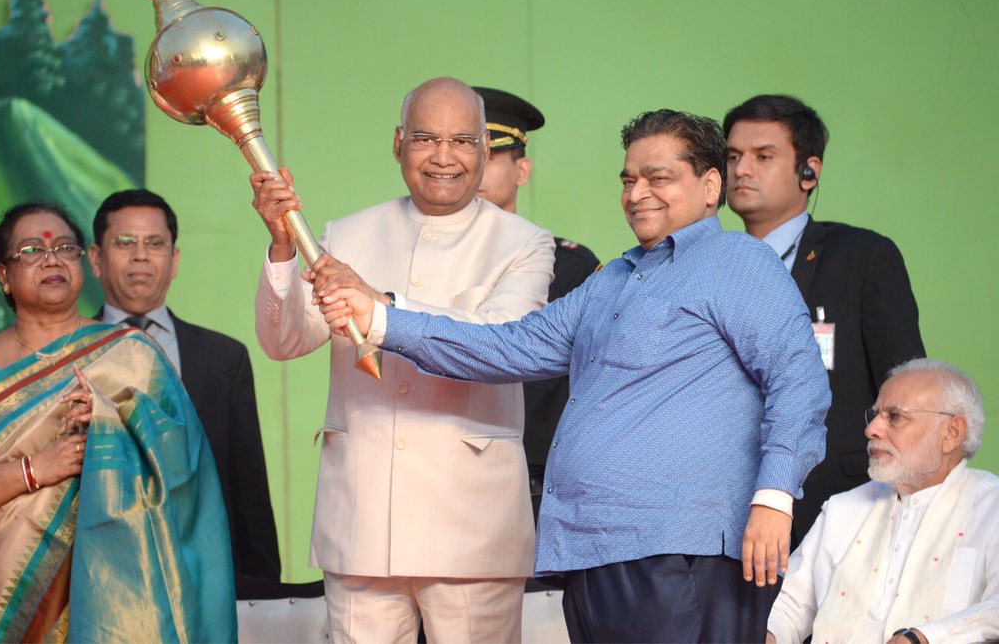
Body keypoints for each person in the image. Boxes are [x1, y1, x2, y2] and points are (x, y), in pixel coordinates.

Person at [318, 109, 831, 643]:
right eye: (628, 180)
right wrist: (381, 316)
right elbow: (507, 346)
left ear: (710, 186)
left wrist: (774, 496)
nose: (637, 194)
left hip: (681, 549)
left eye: (658, 178)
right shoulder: (613, 279)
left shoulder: (738, 261)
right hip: (591, 550)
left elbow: (799, 381)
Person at [251, 76, 555, 642]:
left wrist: (380, 306)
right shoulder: (346, 233)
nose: (443, 157)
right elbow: (284, 341)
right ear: (398, 145)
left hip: (473, 528)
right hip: (361, 518)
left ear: (484, 150)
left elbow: (501, 343)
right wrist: (283, 246)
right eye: (425, 138)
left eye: (462, 141)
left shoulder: (524, 243)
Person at [0, 202, 235, 642]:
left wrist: (113, 424)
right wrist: (35, 470)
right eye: (32, 250)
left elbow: (186, 479)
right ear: (3, 274)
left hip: (113, 601)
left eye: (65, 248)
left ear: (83, 263)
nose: (52, 259)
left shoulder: (132, 354)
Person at [724, 94, 926, 544]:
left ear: (809, 172)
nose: (741, 169)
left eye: (763, 156)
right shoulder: (711, 266)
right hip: (728, 511)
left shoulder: (861, 257)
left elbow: (906, 388)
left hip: (840, 505)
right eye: (733, 156)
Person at [89, 188, 280, 581]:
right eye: (124, 242)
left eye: (155, 243)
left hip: (202, 573)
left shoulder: (224, 358)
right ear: (95, 259)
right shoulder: (66, 355)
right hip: (97, 573)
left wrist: (262, 588)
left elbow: (249, 490)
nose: (140, 255)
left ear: (174, 260)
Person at [766, 358, 998, 644]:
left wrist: (922, 638)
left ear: (951, 433)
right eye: (875, 415)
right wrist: (769, 634)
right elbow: (789, 607)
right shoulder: (843, 508)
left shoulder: (992, 508)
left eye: (895, 416)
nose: (871, 429)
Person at [473, 85, 600, 521]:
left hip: (536, 483)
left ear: (522, 170)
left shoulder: (569, 267)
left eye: (490, 156)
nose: (474, 168)